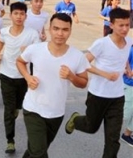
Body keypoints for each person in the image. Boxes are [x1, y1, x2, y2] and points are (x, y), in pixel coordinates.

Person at [16, 13, 89, 158]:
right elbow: (20, 61)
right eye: (56, 28)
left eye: (65, 29)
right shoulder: (35, 49)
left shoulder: (77, 56)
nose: (60, 33)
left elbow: (84, 82)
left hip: (56, 113)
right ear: (49, 29)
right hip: (33, 109)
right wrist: (27, 77)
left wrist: (71, 76)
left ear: (70, 31)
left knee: (35, 149)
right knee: (39, 153)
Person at [65, 8, 132, 158]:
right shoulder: (102, 43)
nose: (125, 29)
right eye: (121, 25)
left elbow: (124, 56)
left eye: (127, 25)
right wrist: (105, 74)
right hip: (98, 95)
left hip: (117, 97)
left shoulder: (129, 42)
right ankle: (76, 119)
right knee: (91, 127)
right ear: (112, 25)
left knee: (113, 139)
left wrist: (127, 68)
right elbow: (84, 63)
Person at [0, 2, 40, 154]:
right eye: (16, 13)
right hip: (6, 75)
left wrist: (29, 50)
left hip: (23, 77)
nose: (19, 17)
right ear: (11, 15)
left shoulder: (32, 34)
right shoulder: (4, 31)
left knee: (19, 106)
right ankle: (10, 141)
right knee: (9, 109)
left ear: (25, 16)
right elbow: (0, 41)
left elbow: (38, 53)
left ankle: (16, 108)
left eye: (22, 14)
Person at [120, 45, 133, 146]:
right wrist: (127, 71)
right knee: (126, 114)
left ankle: (127, 134)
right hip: (129, 85)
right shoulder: (130, 50)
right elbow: (121, 62)